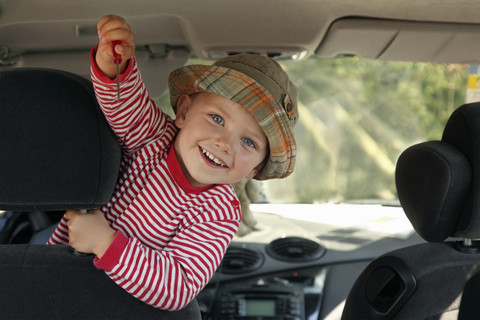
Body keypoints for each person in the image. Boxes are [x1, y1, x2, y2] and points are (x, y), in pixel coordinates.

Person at [47, 14, 299, 311]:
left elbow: (178, 285)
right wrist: (114, 64)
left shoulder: (218, 212)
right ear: (183, 112)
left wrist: (105, 242)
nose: (224, 144)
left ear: (255, 169)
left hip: (118, 309)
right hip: (55, 278)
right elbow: (124, 103)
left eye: (249, 142)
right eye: (216, 119)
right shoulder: (153, 135)